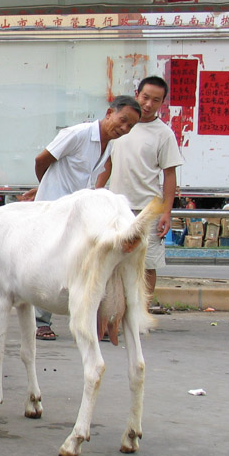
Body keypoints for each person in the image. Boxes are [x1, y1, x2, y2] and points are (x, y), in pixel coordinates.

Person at [32, 95, 142, 340]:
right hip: (54, 209)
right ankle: (41, 322)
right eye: (122, 120)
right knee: (49, 264)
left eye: (130, 126)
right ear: (109, 112)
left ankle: (89, 319)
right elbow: (42, 160)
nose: (124, 129)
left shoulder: (108, 145)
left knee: (81, 262)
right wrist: (46, 188)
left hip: (78, 212)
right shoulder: (78, 134)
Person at [95, 76, 184, 314]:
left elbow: (169, 175)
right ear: (137, 94)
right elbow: (107, 165)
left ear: (162, 103)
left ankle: (138, 316)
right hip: (115, 207)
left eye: (156, 100)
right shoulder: (121, 125)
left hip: (148, 210)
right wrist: (96, 194)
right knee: (111, 262)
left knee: (147, 264)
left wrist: (166, 211)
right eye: (145, 97)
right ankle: (109, 315)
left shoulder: (163, 134)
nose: (148, 104)